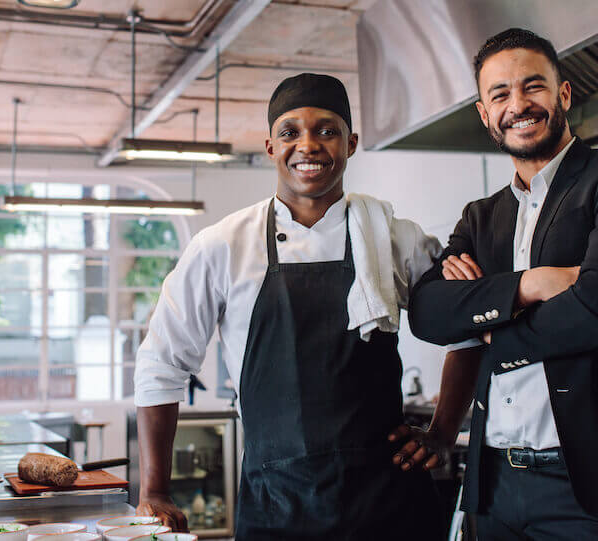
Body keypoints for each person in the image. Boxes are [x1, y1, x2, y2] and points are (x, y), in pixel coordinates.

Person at [397, 28, 598, 540]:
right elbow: (429, 314)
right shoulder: (480, 218)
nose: (518, 105)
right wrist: (533, 285)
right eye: (500, 94)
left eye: (534, 87)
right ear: (485, 114)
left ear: (563, 94)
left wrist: (486, 326)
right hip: (496, 485)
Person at [133, 73, 460, 540]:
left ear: (351, 143)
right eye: (290, 132)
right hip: (277, 508)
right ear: (270, 147)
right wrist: (156, 489)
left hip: (388, 504)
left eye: (326, 130)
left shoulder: (394, 237)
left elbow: (467, 326)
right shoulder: (223, 246)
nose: (308, 145)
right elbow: (161, 364)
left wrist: (443, 431)